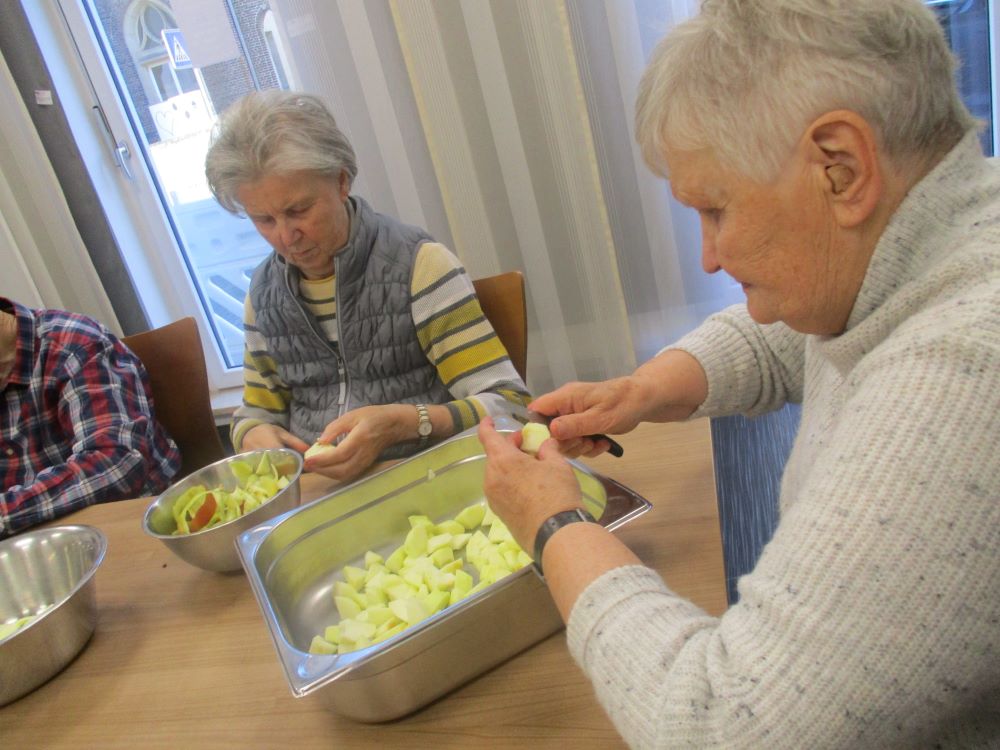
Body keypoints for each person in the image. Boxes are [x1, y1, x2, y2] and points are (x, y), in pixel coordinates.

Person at [477, 1, 1000, 747]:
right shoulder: (926, 241)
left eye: (715, 209)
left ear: (840, 167)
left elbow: (719, 726)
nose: (709, 257)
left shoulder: (963, 382)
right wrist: (645, 390)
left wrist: (554, 524)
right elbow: (793, 334)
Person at [205, 91, 530, 482]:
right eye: (263, 219)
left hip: (426, 481)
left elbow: (511, 406)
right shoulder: (263, 295)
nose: (286, 237)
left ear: (341, 181)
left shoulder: (419, 267)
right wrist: (252, 435)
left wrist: (413, 422)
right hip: (319, 494)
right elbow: (254, 414)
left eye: (298, 211)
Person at [0, 297, 180, 538]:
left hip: (132, 527)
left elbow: (115, 464)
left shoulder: (75, 345)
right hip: (32, 544)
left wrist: (6, 512)